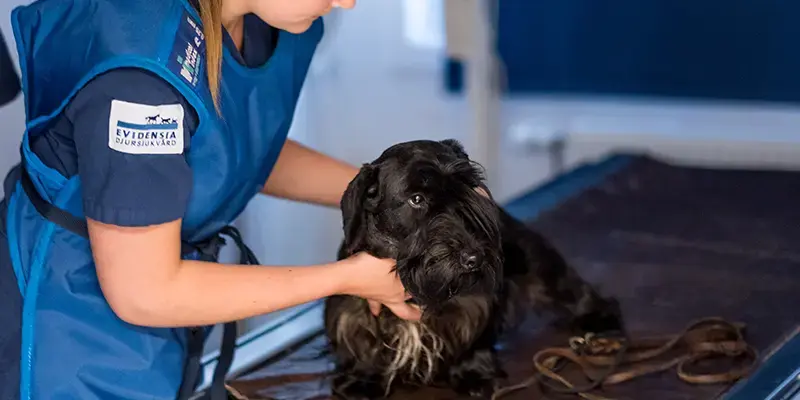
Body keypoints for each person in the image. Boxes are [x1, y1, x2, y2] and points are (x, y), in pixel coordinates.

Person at [0, 0, 423, 399]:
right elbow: (145, 292)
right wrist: (347, 277)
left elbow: (228, 151)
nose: (347, 3)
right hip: (66, 330)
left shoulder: (259, 24)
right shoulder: (142, 76)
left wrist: (404, 196)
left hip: (162, 329)